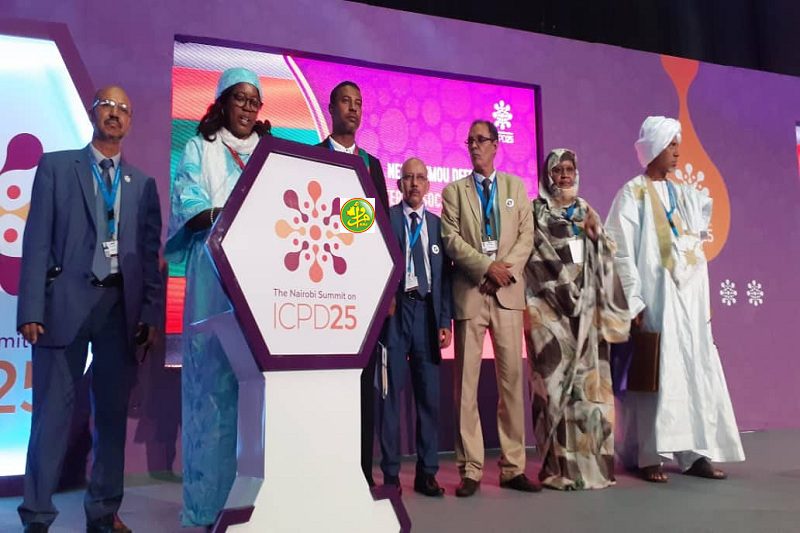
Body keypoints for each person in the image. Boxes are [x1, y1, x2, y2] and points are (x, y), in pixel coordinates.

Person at [16, 85, 163, 533]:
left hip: (119, 311)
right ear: (93, 112)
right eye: (107, 105)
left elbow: (150, 256)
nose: (115, 113)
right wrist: (30, 308)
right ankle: (37, 515)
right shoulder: (57, 167)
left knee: (112, 419)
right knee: (51, 416)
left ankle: (102, 512)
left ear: (130, 121)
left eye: (124, 108)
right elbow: (36, 239)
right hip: (63, 306)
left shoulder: (143, 184)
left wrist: (150, 315)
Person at [605, 116, 745, 483]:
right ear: (653, 149)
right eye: (670, 145)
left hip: (689, 303)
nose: (677, 152)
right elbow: (620, 251)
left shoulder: (683, 193)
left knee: (694, 371)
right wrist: (634, 300)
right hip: (655, 299)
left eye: (677, 144)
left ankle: (695, 453)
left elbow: (694, 243)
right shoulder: (632, 194)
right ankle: (648, 455)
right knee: (656, 373)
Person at [165, 67, 271, 526]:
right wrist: (223, 214)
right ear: (223, 102)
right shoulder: (199, 147)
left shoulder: (270, 153)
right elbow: (189, 203)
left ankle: (253, 506)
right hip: (212, 279)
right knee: (211, 390)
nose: (247, 107)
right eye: (239, 98)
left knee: (259, 391)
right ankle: (207, 508)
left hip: (261, 282)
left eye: (254, 100)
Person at [440, 119, 538, 497]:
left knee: (511, 383)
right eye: (470, 141)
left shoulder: (515, 187)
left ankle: (513, 467)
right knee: (465, 386)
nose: (474, 146)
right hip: (471, 293)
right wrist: (486, 267)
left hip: (507, 295)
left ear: (496, 145)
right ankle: (470, 469)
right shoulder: (454, 191)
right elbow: (451, 239)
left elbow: (526, 237)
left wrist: (502, 272)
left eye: (481, 140)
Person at [524, 149, 629, 490]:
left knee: (587, 394)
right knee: (553, 391)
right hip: (549, 315)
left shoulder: (586, 210)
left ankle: (591, 469)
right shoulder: (536, 211)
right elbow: (534, 254)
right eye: (558, 170)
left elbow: (607, 251)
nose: (565, 175)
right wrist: (565, 289)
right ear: (548, 175)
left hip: (586, 318)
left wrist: (596, 238)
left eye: (569, 169)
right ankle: (559, 470)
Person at [318, 80, 389, 486]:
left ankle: (361, 472)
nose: (353, 108)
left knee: (362, 385)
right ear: (331, 108)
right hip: (322, 289)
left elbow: (381, 231)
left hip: (361, 297)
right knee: (326, 384)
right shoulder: (313, 156)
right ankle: (327, 470)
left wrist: (386, 290)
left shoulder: (371, 165)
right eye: (346, 101)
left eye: (359, 103)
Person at [377, 157, 452, 497]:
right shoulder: (387, 219)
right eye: (408, 178)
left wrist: (444, 320)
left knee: (429, 398)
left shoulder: (437, 225)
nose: (415, 184)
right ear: (399, 184)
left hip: (427, 314)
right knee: (389, 397)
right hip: (395, 314)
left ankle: (427, 473)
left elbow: (444, 278)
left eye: (421, 178)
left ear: (428, 184)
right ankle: (391, 475)